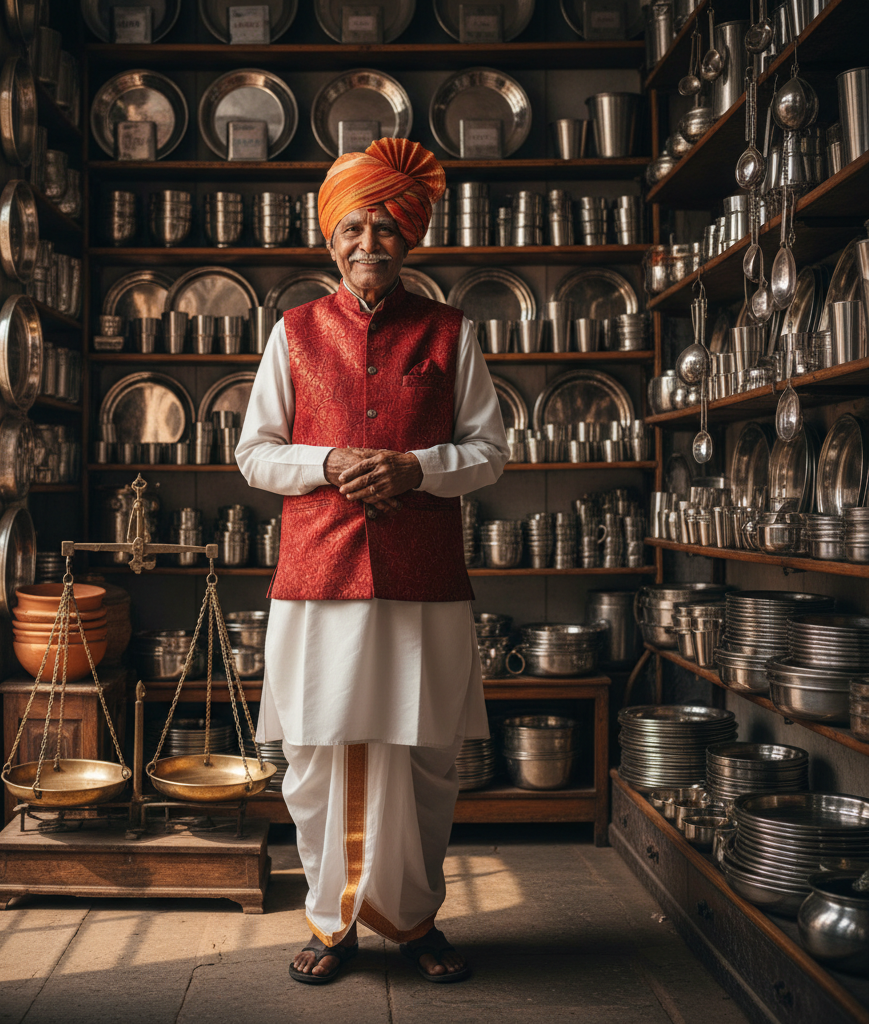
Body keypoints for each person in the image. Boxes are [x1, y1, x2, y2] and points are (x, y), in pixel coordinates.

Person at [236, 137, 509, 986]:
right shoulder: (293, 333)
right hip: (318, 579)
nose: (368, 244)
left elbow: (490, 451)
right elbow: (255, 453)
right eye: (352, 227)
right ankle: (332, 922)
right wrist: (328, 464)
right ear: (330, 240)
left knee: (423, 755)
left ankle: (415, 919)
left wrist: (415, 467)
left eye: (385, 228)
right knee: (316, 752)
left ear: (410, 238)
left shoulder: (449, 334)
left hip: (422, 578)